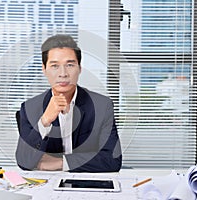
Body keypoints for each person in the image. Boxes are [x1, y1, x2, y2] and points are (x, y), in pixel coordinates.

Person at [15, 34, 122, 172]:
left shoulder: (102, 105)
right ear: (44, 69)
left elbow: (112, 160)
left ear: (80, 68)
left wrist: (61, 163)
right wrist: (45, 121)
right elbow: (24, 161)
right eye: (54, 66)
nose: (63, 73)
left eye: (70, 65)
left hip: (88, 184)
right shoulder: (29, 108)